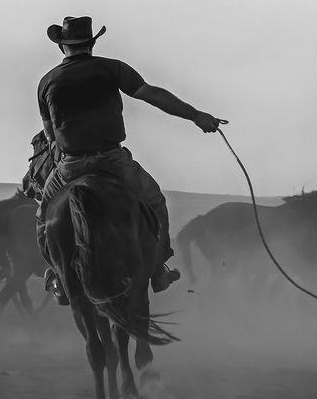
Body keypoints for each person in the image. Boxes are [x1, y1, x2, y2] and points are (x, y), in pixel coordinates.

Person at [36, 16, 224, 303]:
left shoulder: (46, 82)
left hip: (70, 166)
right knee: (155, 201)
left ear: (63, 47)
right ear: (92, 43)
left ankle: (57, 275)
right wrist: (196, 115)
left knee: (44, 216)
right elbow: (152, 95)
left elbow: (50, 134)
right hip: (113, 161)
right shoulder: (112, 69)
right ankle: (158, 267)